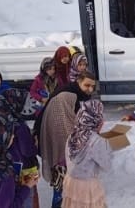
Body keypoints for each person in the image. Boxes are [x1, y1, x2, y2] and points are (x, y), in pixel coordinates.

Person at [37, 71, 97, 208]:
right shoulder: (64, 103)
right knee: (62, 188)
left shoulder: (79, 96)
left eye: (93, 86)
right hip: (62, 158)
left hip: (67, 159)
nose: (91, 89)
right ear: (78, 82)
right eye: (87, 85)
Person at [62, 99, 112, 208]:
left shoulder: (73, 136)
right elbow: (106, 166)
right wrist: (108, 148)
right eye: (100, 115)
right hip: (87, 186)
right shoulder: (97, 141)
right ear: (96, 120)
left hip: (71, 182)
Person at [0, 88, 41, 208]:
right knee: (26, 197)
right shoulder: (20, 126)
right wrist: (35, 144)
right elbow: (27, 150)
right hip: (23, 171)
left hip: (2, 170)